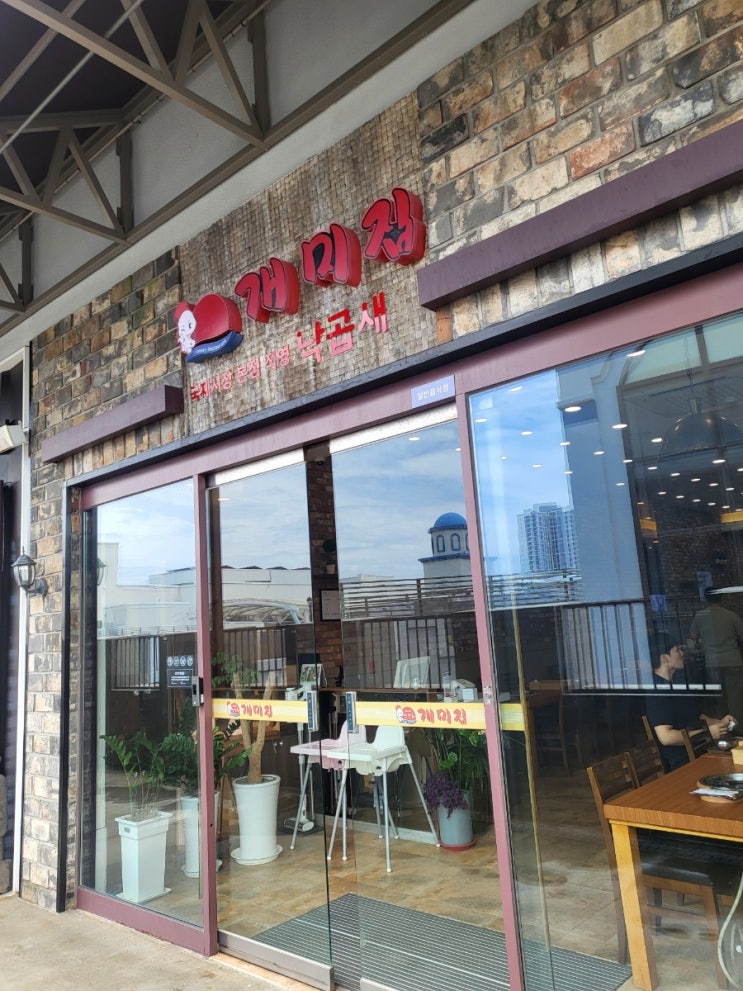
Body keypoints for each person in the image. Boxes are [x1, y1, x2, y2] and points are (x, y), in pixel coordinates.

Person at [645, 636, 734, 771]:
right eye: (677, 650)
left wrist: (719, 723)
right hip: (684, 761)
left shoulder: (677, 684)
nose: (682, 653)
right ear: (664, 658)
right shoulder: (657, 692)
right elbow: (666, 737)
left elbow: (697, 716)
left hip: (702, 750)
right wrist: (707, 733)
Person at [689, 586, 743, 720]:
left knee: (720, 698)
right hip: (732, 660)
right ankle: (738, 727)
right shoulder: (731, 615)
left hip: (712, 662)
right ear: (722, 597)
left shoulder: (700, 616)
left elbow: (691, 640)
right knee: (736, 698)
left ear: (706, 598)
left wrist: (696, 650)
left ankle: (725, 725)